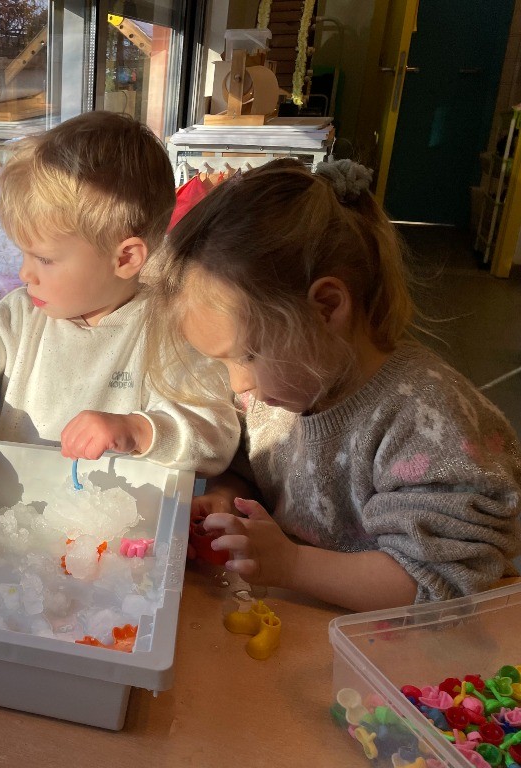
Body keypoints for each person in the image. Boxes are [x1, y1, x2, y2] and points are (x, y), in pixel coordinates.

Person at [148, 157, 521, 611]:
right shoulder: (278, 392)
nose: (238, 383)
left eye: (247, 356)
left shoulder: (428, 420)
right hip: (306, 620)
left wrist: (292, 566)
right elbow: (247, 468)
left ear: (325, 307)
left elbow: (438, 584)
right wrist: (227, 500)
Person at [0, 111, 241, 507]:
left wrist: (138, 430)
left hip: (116, 528)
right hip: (14, 514)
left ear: (125, 258)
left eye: (44, 259)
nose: (25, 273)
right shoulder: (18, 316)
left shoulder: (171, 329)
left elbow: (215, 435)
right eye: (24, 254)